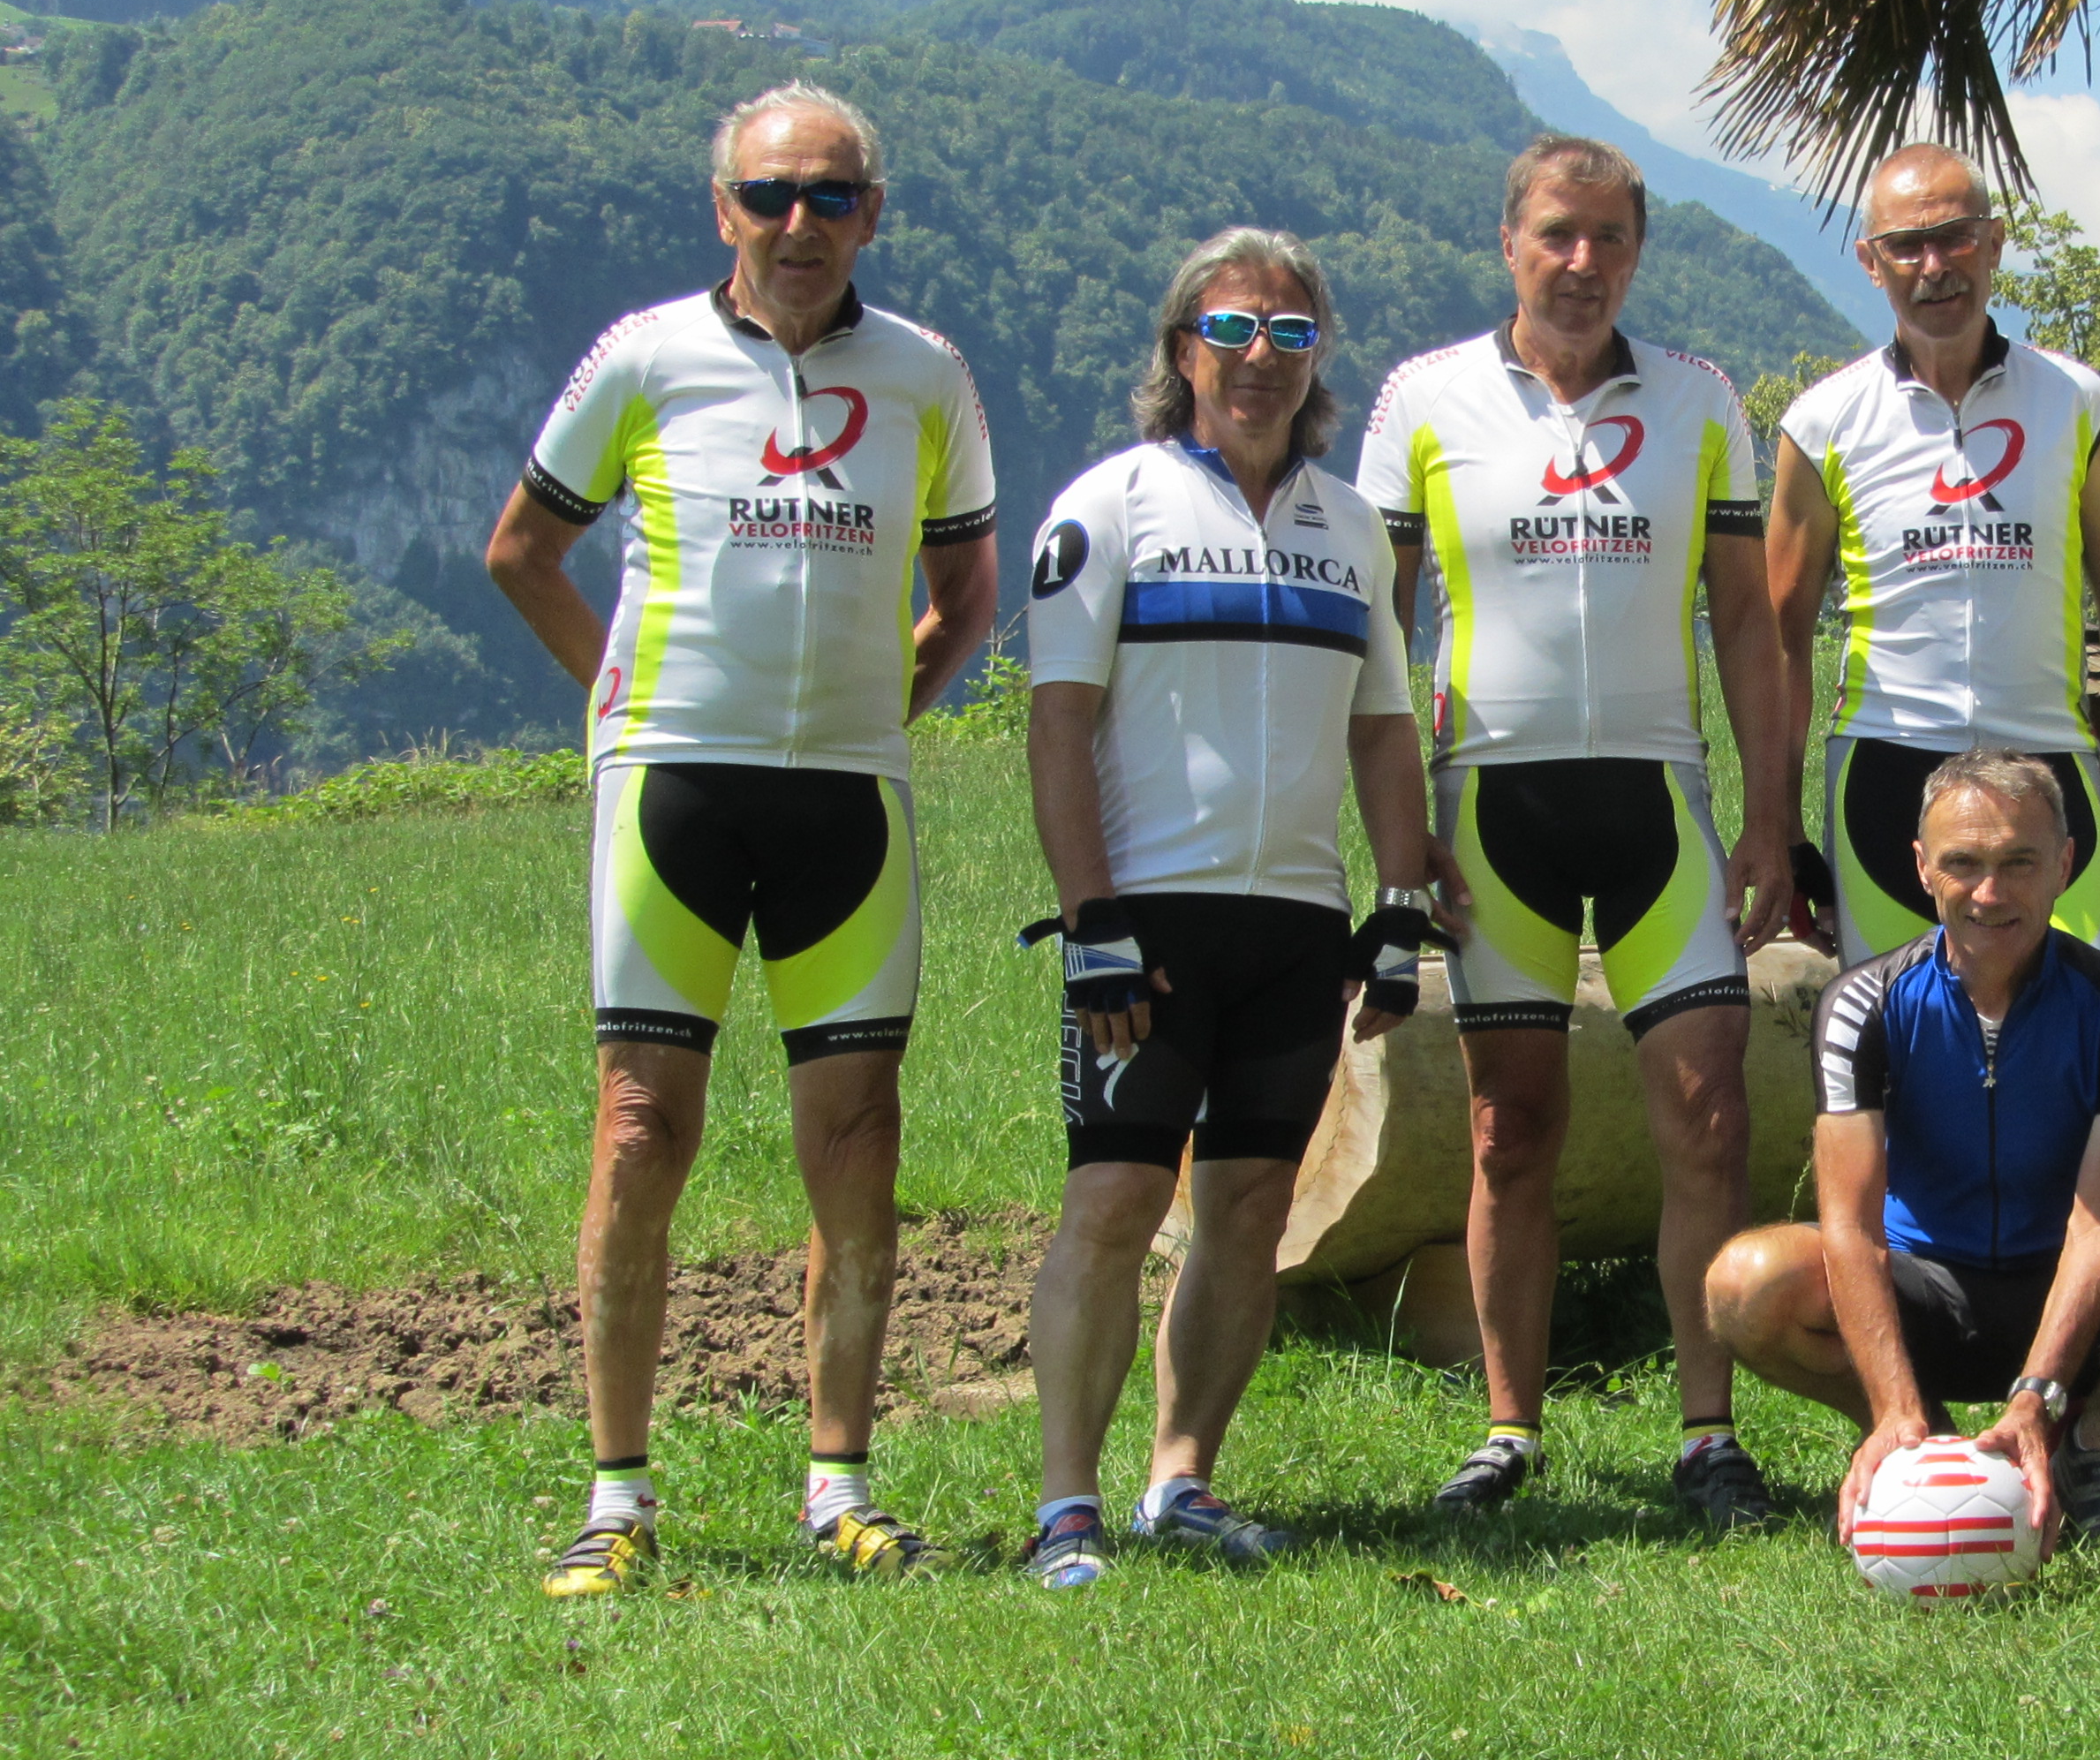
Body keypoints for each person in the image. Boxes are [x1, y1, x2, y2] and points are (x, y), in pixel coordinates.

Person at [483, 81, 999, 1597]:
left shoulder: (924, 374)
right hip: (673, 790)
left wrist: (880, 707)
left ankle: (840, 1488)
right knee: (642, 1130)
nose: (798, 223)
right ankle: (616, 1497)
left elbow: (968, 595)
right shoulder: (646, 357)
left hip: (847, 795)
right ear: (724, 208)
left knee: (857, 1137)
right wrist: (619, 701)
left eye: (830, 196)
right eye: (769, 195)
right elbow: (524, 550)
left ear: (872, 214)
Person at [1351, 134, 1795, 1526]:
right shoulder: (1423, 399)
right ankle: (1509, 1430)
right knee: (1510, 1128)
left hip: (1658, 797)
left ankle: (1708, 1433)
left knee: (1709, 1114)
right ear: (1510, 242)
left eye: (1610, 237)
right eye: (1557, 232)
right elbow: (1377, 629)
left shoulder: (1699, 400)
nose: (1583, 261)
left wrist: (1773, 816)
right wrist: (1395, 835)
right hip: (1493, 801)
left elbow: (1747, 622)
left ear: (1638, 251)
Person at [1010, 230, 1457, 1589]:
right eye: (1232, 329)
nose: (1261, 356)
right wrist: (1091, 920)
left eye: (1291, 333)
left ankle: (1182, 1480)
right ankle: (1066, 1507)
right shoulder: (1111, 505)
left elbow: (1383, 729)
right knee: (1113, 1201)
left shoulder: (1352, 528)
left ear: (1318, 358)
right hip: (1150, 922)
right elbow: (1058, 724)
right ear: (1182, 348)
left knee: (1252, 1208)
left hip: (1296, 927)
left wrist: (1399, 904)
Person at [1705, 751, 2100, 1542]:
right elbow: (1850, 1227)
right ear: (1923, 869)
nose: (1990, 893)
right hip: (1921, 1289)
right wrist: (1893, 1403)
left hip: (2069, 1288)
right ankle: (1916, 1433)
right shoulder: (1862, 1003)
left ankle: (2093, 1440)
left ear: (2064, 865)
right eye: (1963, 864)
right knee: (1744, 1282)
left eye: (2019, 862)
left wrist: (2036, 1397)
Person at [1764, 143, 2100, 963]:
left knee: (2080, 1031)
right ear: (1870, 262)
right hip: (1887, 774)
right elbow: (1780, 640)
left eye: (1955, 237)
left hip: (2048, 763)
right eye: (1906, 246)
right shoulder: (1822, 422)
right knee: (1900, 1039)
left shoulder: (2076, 402)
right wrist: (1777, 826)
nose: (1934, 266)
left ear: (1994, 242)